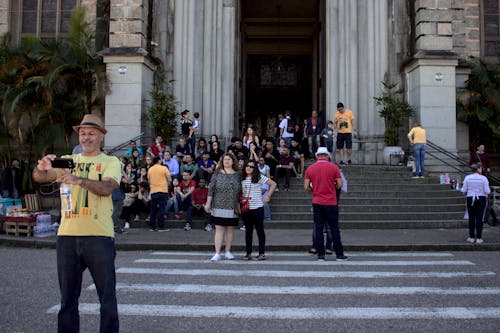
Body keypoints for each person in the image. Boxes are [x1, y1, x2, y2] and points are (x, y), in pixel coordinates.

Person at [32, 114, 121, 332]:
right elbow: (41, 177)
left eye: (91, 133)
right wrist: (42, 168)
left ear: (101, 136)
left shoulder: (110, 162)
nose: (86, 137)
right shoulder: (68, 161)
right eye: (82, 133)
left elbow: (107, 188)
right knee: (68, 300)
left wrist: (78, 180)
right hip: (67, 237)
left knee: (107, 299)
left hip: (99, 236)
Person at [304, 147, 348, 261]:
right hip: (331, 202)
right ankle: (339, 254)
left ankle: (320, 255)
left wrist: (314, 190)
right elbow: (339, 184)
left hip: (317, 201)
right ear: (327, 156)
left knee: (318, 228)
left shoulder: (310, 169)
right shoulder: (334, 167)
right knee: (334, 228)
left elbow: (306, 187)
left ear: (317, 156)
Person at [204, 153, 241, 261]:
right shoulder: (217, 173)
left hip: (232, 205)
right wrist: (207, 203)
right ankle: (217, 253)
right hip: (218, 204)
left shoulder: (238, 174)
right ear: (222, 161)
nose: (227, 161)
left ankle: (228, 251)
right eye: (225, 159)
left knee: (230, 230)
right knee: (219, 230)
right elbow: (211, 189)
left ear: (233, 161)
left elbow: (240, 190)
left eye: (229, 159)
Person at [240, 159, 276, 260]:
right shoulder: (241, 178)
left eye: (251, 166)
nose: (248, 168)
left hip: (258, 208)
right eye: (247, 165)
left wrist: (268, 195)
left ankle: (261, 253)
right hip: (246, 208)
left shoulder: (259, 177)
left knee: (260, 231)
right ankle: (248, 253)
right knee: (248, 232)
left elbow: (273, 184)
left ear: (254, 168)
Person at [462, 163, 491, 244]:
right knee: (480, 217)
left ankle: (471, 237)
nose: (481, 170)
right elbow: (487, 191)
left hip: (470, 198)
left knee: (471, 217)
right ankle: (479, 238)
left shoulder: (467, 177)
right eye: (480, 168)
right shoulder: (483, 178)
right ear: (478, 169)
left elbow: (464, 190)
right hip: (481, 198)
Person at [147, 156, 171, 232]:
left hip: (153, 191)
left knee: (153, 209)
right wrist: (167, 183)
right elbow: (169, 179)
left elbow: (149, 180)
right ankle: (161, 226)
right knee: (161, 209)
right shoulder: (164, 168)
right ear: (159, 160)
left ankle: (152, 226)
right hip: (163, 191)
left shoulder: (150, 169)